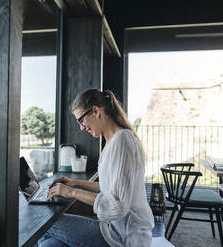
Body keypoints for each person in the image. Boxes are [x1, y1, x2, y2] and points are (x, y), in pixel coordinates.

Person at [38, 89, 154, 247]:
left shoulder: (122, 141)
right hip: (112, 228)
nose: (82, 128)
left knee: (45, 225)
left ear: (95, 111)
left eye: (81, 120)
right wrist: (75, 183)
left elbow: (116, 206)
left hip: (123, 238)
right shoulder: (113, 142)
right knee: (49, 244)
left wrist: (72, 192)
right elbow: (110, 188)